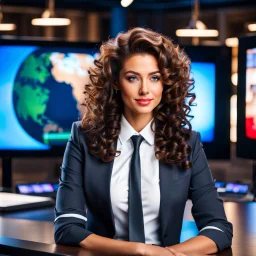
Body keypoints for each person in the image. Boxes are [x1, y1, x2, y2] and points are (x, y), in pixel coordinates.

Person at [54, 27, 232, 256]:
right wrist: (140, 251)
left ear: (165, 83)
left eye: (155, 78)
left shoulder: (187, 143)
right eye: (132, 78)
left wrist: (168, 254)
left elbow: (218, 229)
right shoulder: (83, 137)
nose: (145, 89)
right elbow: (67, 228)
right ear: (116, 82)